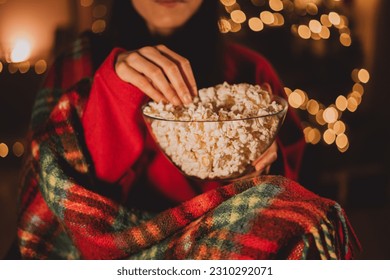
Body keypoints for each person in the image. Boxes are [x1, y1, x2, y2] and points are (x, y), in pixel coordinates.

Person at [16, 0, 359, 259]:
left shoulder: (251, 72)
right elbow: (65, 193)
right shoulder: (76, 67)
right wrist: (113, 86)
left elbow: (291, 190)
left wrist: (266, 168)